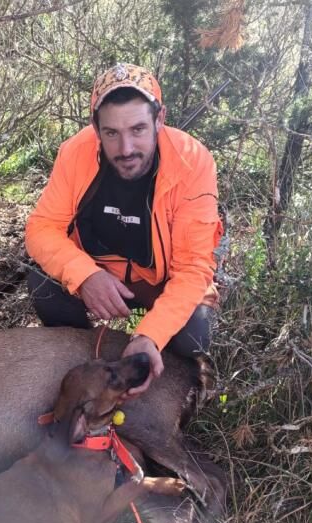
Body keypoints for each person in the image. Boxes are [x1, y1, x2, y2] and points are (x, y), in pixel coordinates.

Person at [25, 63, 222, 397]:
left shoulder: (192, 161)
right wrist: (85, 276)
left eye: (138, 129)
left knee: (194, 335)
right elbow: (41, 228)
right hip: (102, 276)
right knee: (42, 283)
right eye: (112, 133)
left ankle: (169, 386)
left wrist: (151, 335)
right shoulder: (75, 153)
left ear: (160, 119)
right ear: (95, 128)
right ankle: (83, 361)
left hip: (160, 282)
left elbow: (193, 267)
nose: (126, 148)